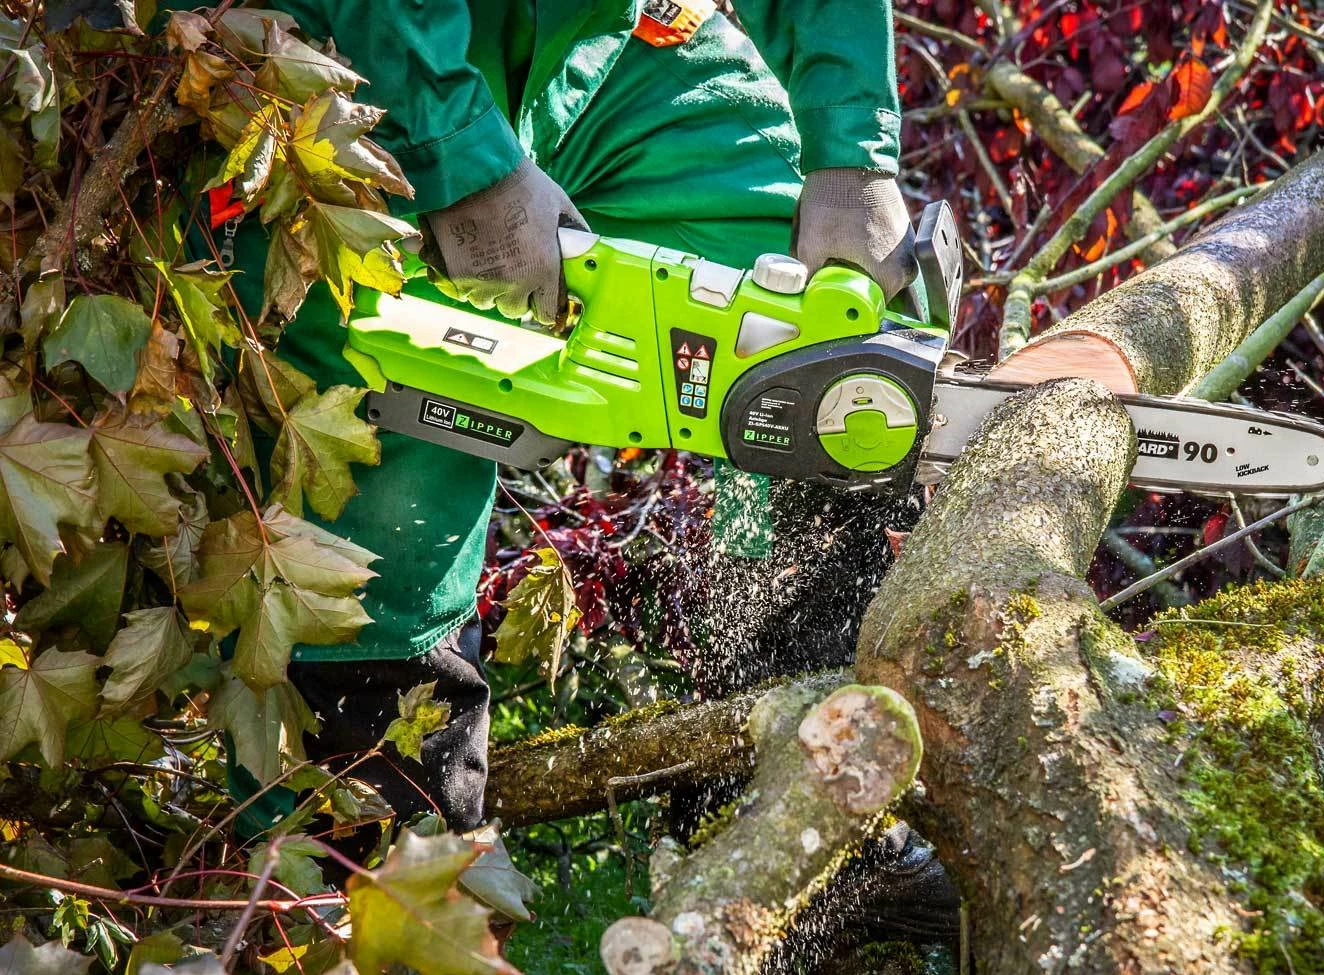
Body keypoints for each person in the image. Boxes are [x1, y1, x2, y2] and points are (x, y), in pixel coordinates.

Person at [211, 0, 917, 834]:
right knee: (381, 452)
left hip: (594, 37)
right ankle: (350, 857)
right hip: (354, 51)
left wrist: (852, 155)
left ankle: (785, 777)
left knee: (833, 324)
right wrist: (459, 154)